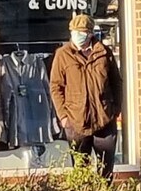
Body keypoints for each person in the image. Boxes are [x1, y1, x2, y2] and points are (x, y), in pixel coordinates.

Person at [48, 12, 122, 173]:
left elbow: (117, 82)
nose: (77, 36)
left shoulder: (104, 53)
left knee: (106, 167)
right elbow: (56, 87)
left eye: (80, 33)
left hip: (104, 119)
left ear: (90, 33)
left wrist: (115, 109)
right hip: (76, 121)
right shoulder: (63, 54)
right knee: (81, 168)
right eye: (74, 32)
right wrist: (64, 117)